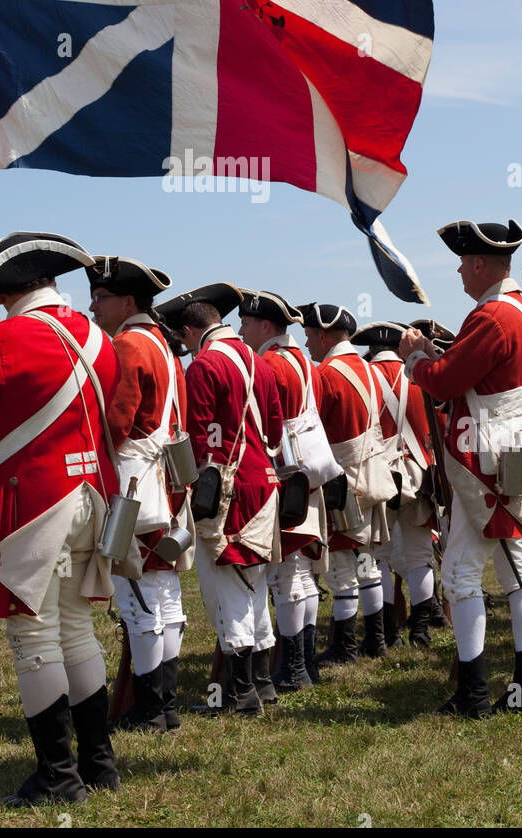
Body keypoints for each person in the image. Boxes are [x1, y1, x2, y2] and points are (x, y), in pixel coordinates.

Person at [0, 232, 123, 807]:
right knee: (76, 628)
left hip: (31, 506)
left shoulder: (2, 339)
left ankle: (58, 777)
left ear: (5, 290)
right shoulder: (97, 339)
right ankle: (98, 765)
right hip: (91, 497)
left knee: (33, 637)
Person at [400, 220, 522, 717]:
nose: (457, 270)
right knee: (518, 571)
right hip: (508, 456)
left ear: (476, 264)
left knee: (462, 574)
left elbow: (446, 384)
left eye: (462, 262)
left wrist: (414, 361)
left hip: (484, 464)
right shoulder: (518, 312)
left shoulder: (492, 315)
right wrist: (436, 356)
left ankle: (474, 695)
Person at [157, 283, 282, 716]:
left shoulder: (206, 365)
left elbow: (196, 440)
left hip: (226, 489)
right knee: (256, 586)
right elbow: (275, 430)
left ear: (191, 331)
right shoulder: (260, 361)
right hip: (263, 483)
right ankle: (262, 683)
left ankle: (240, 694)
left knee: (226, 588)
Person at [87, 255, 192, 732]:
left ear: (127, 300)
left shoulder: (129, 344)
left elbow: (116, 424)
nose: (93, 305)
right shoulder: (165, 347)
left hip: (134, 485)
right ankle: (162, 704)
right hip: (164, 484)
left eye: (101, 296)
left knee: (138, 594)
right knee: (164, 592)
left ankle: (150, 709)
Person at [238, 289, 328, 692]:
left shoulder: (270, 363)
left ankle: (293, 668)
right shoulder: (304, 362)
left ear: (264, 326)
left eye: (245, 323)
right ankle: (304, 663)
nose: (241, 330)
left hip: (285, 472)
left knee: (288, 572)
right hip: (308, 471)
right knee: (302, 571)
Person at [301, 303, 393, 662]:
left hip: (344, 479)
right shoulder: (369, 371)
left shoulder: (325, 373)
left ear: (324, 335)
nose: (307, 343)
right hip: (373, 473)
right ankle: (376, 638)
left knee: (341, 567)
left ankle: (345, 646)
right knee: (366, 561)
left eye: (310, 336)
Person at [355, 321, 438, 647]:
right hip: (418, 475)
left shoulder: (364, 378)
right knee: (420, 558)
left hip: (380, 479)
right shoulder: (419, 376)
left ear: (373, 349)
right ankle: (420, 629)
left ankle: (387, 632)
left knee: (377, 558)